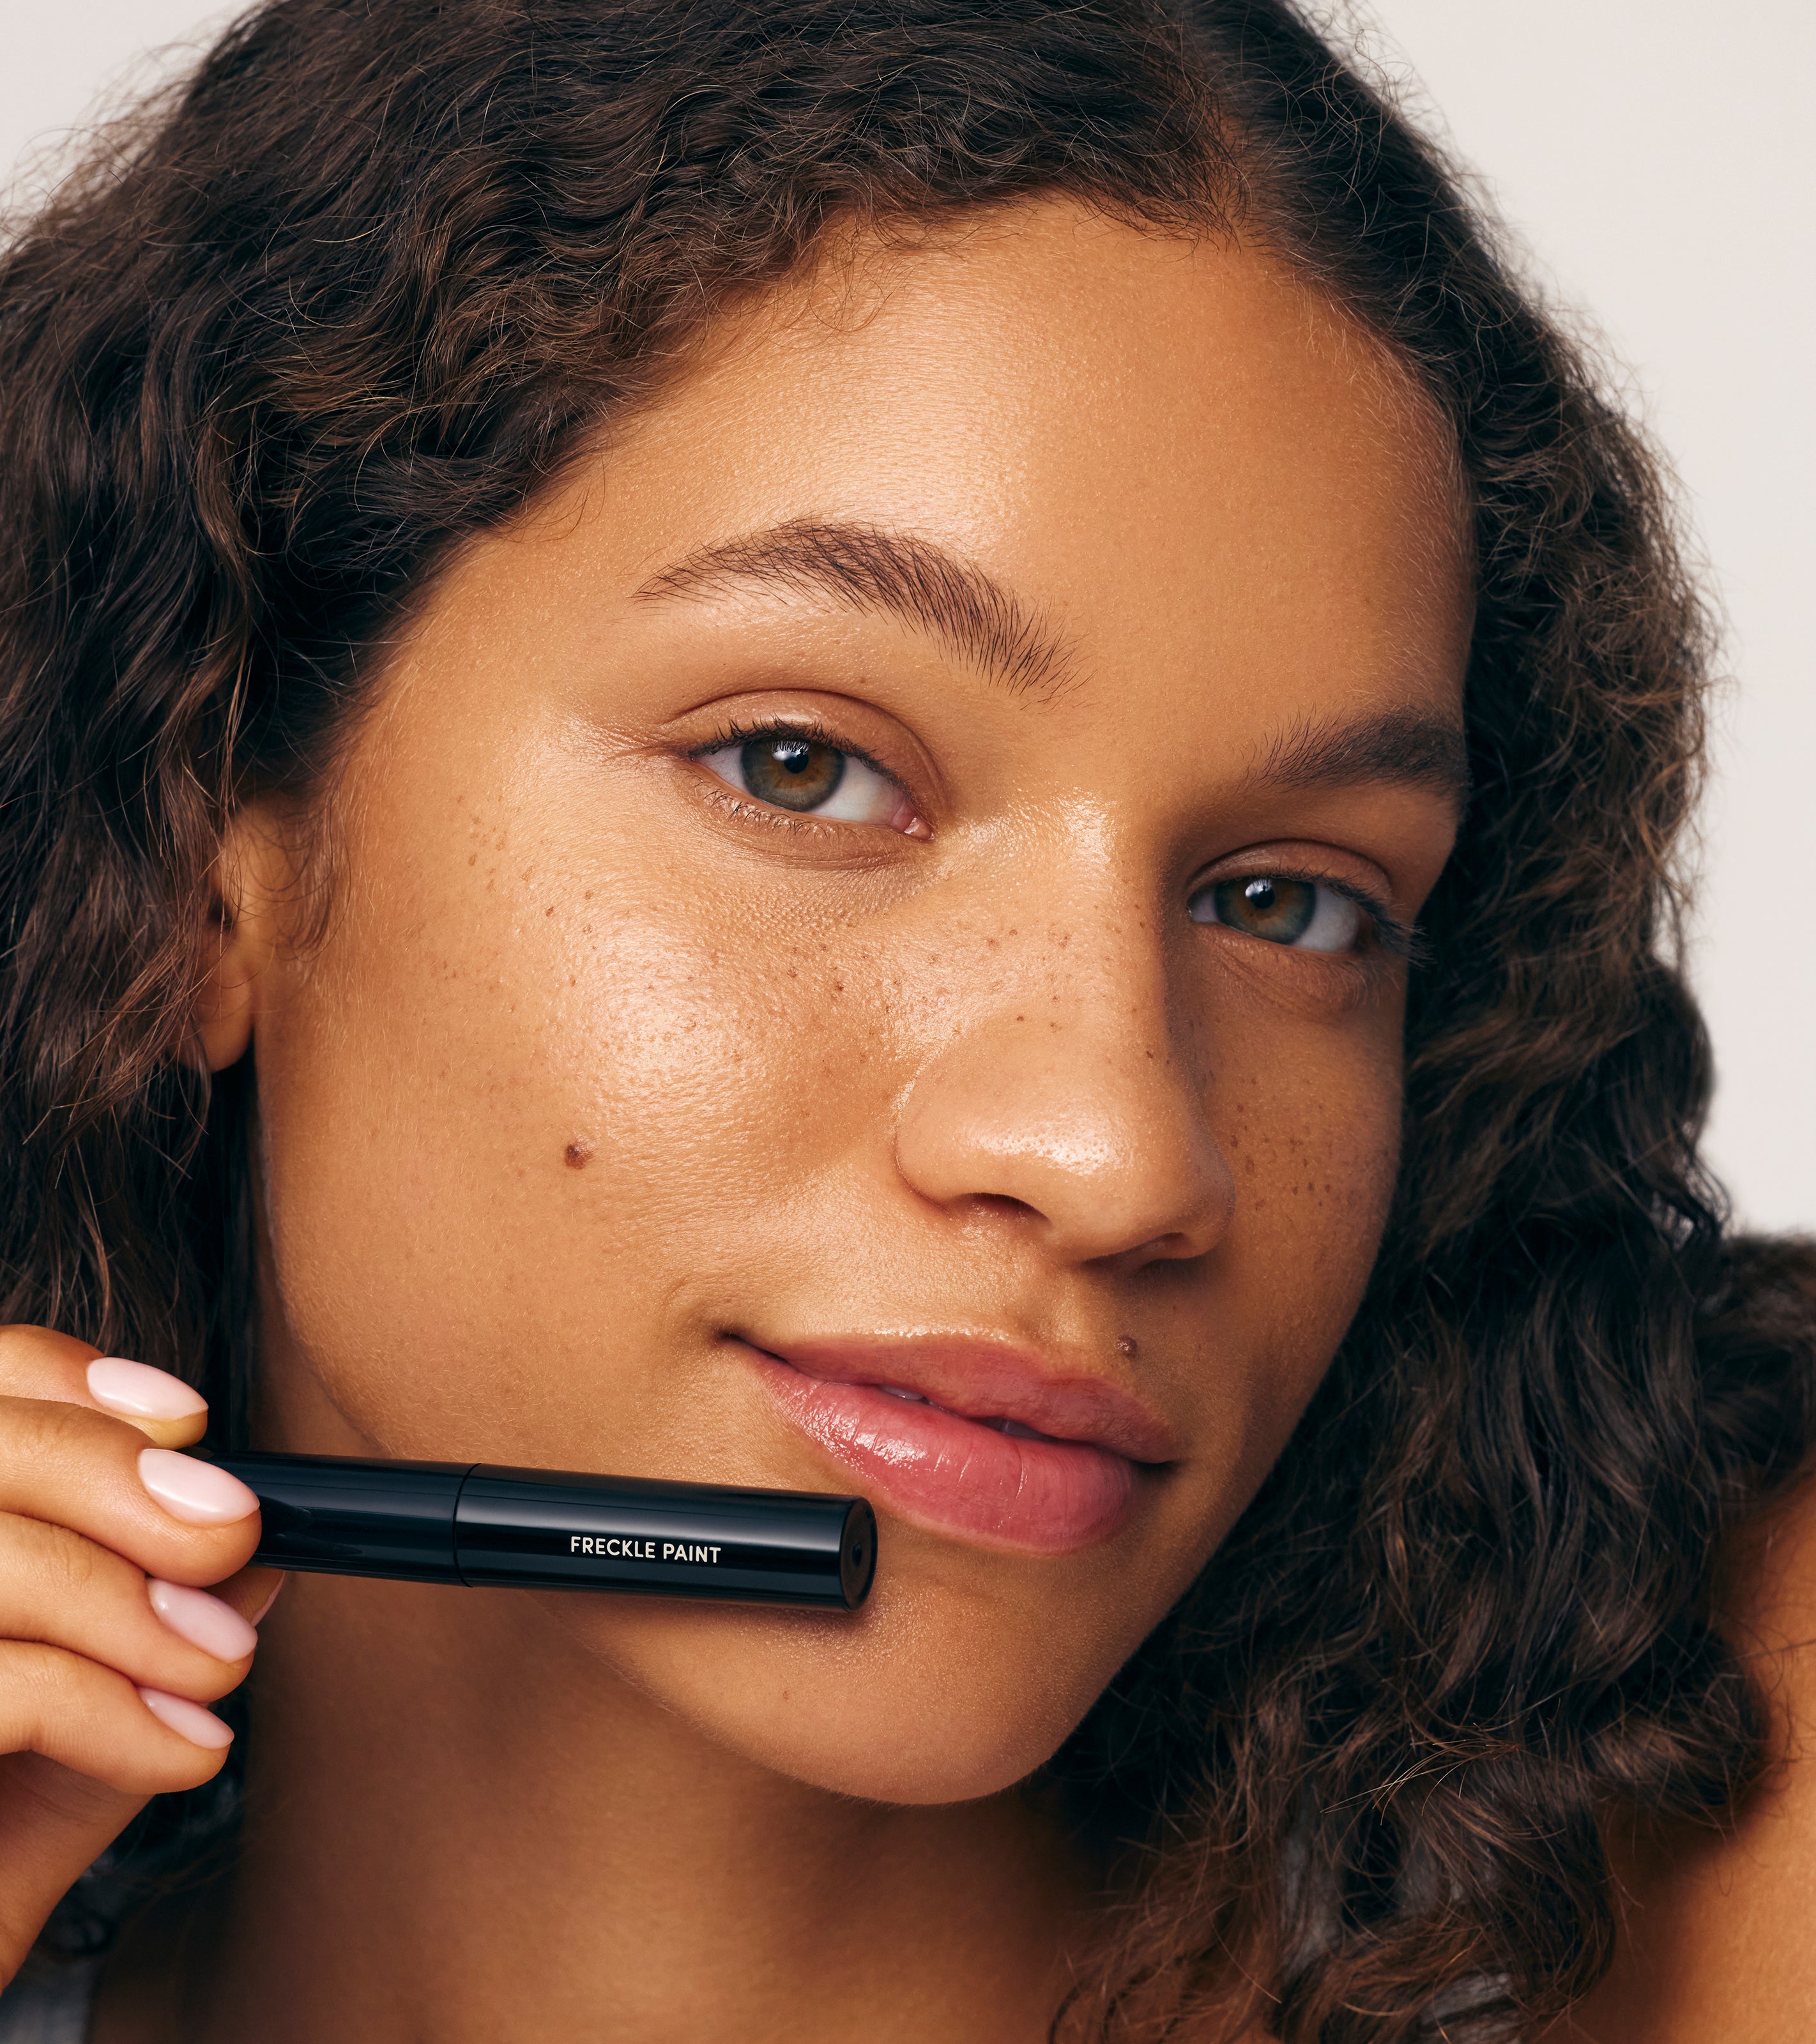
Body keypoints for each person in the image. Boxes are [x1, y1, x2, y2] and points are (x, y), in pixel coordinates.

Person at [0, 1, 1808, 2038]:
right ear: (191, 846)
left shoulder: (1735, 1821)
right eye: (802, 768)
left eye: (1290, 904)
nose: (1121, 1154)